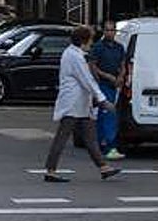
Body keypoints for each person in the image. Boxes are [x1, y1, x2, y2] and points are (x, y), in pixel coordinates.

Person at [44, 25, 121, 183]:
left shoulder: (75, 54)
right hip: (73, 103)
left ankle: (103, 167)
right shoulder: (75, 57)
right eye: (90, 40)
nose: (91, 43)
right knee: (62, 137)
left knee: (90, 138)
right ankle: (50, 170)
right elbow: (87, 80)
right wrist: (102, 100)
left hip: (82, 103)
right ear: (83, 41)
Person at [88, 19, 127, 160]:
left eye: (112, 30)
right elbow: (92, 65)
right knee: (107, 114)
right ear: (104, 31)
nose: (110, 33)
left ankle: (102, 145)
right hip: (103, 84)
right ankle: (109, 146)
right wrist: (105, 76)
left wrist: (121, 76)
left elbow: (123, 64)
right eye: (108, 30)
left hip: (114, 85)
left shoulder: (119, 47)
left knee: (107, 115)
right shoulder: (98, 47)